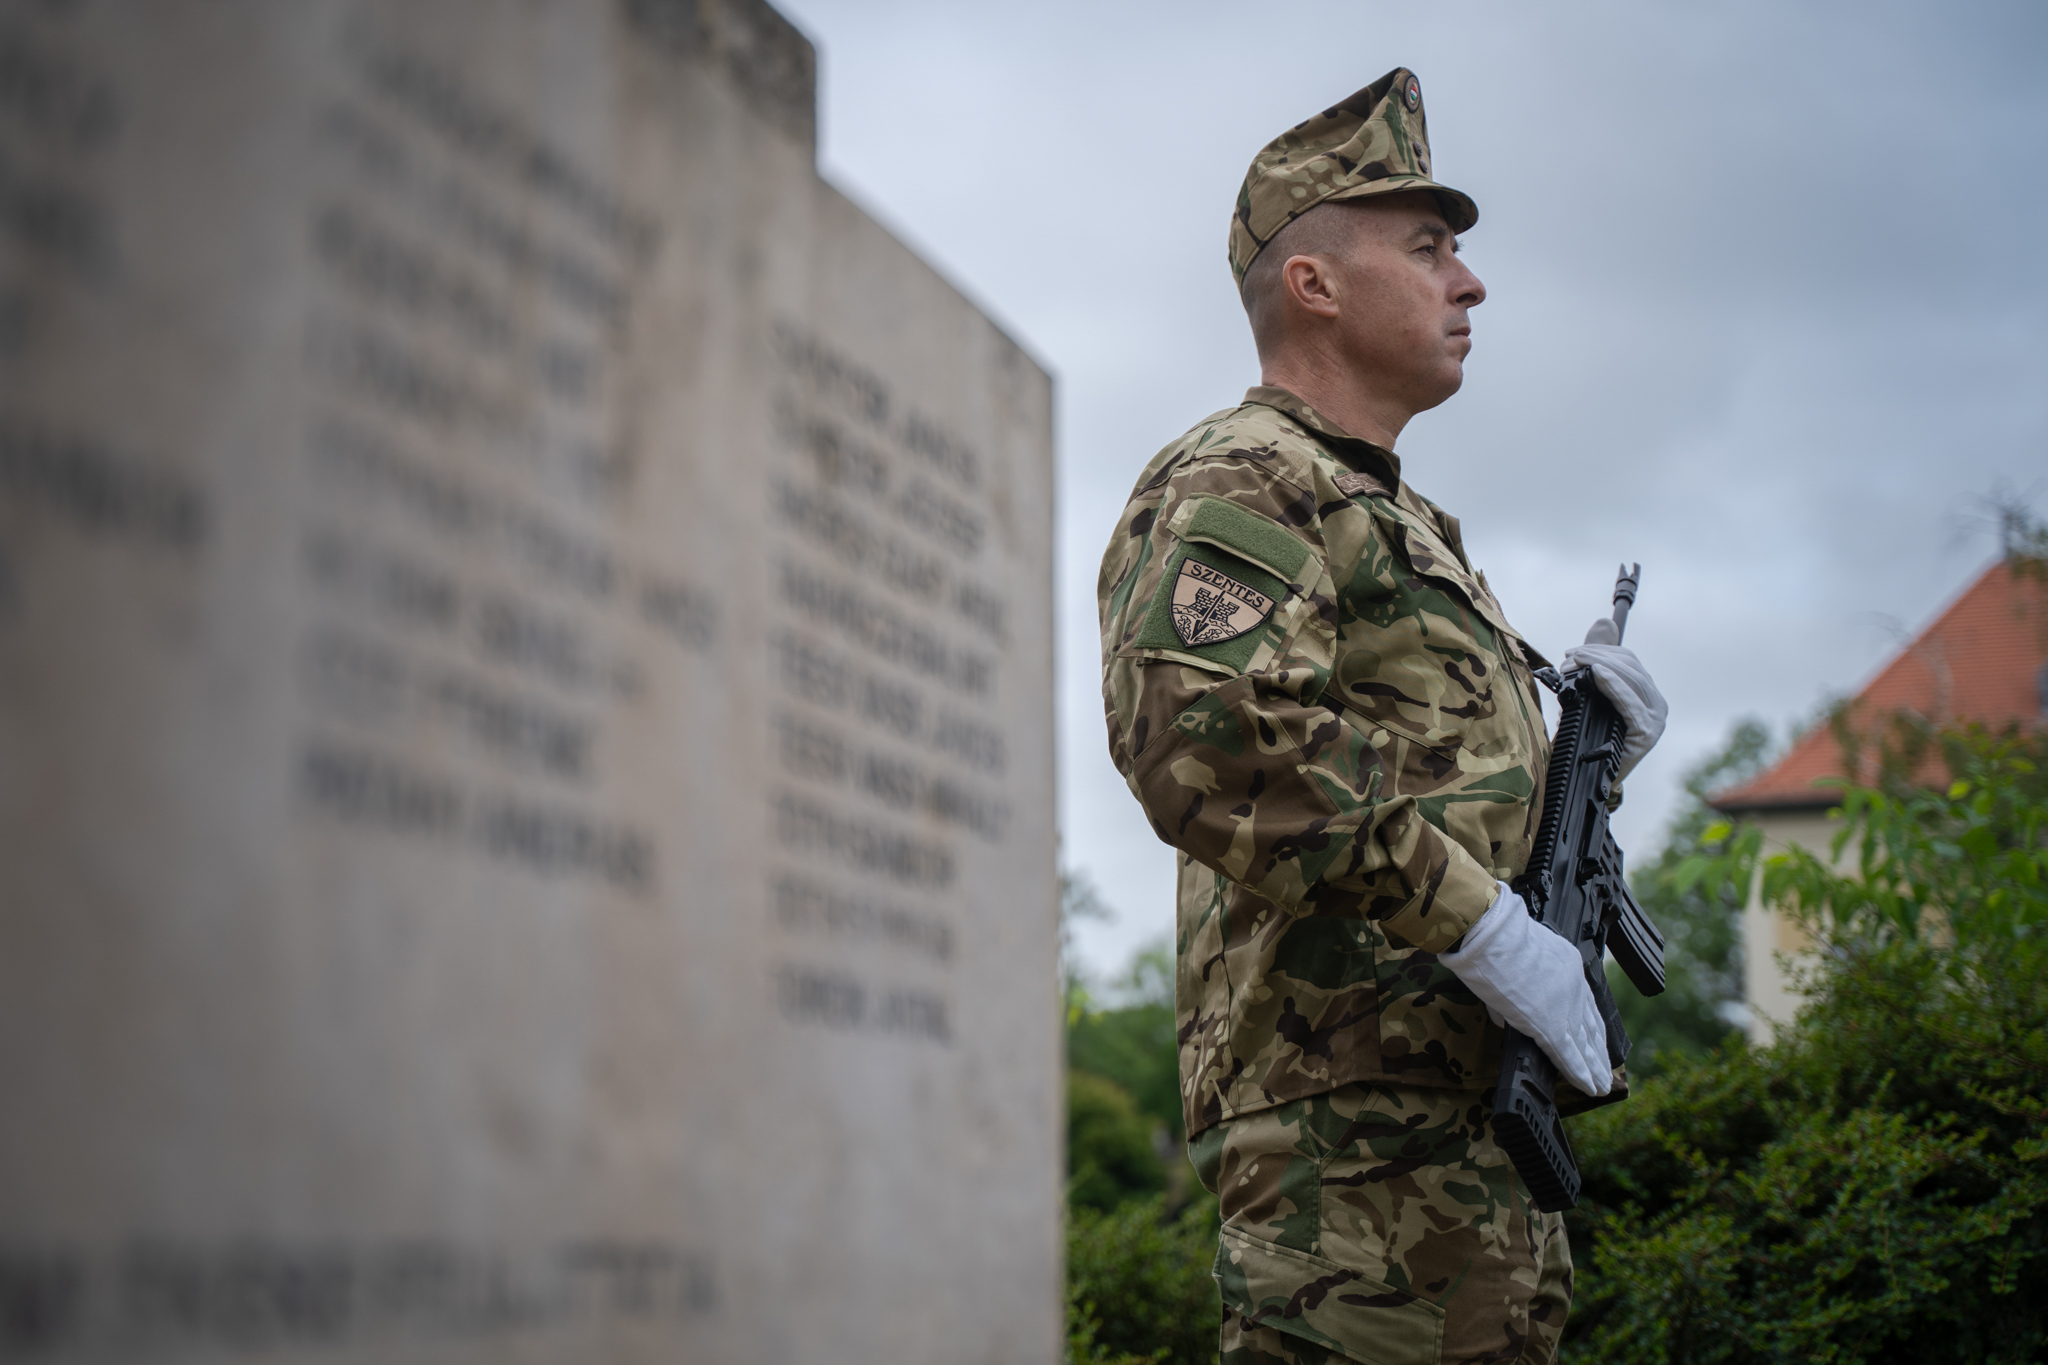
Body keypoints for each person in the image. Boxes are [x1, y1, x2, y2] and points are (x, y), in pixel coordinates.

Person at [1094, 68, 1667, 1365]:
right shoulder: (1247, 475)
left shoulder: (1397, 517)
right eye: (1428, 248)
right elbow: (1207, 736)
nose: (1470, 283)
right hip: (1344, 1158)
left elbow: (1431, 788)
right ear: (1315, 283)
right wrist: (1483, 928)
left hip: (1465, 1146)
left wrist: (1590, 771)